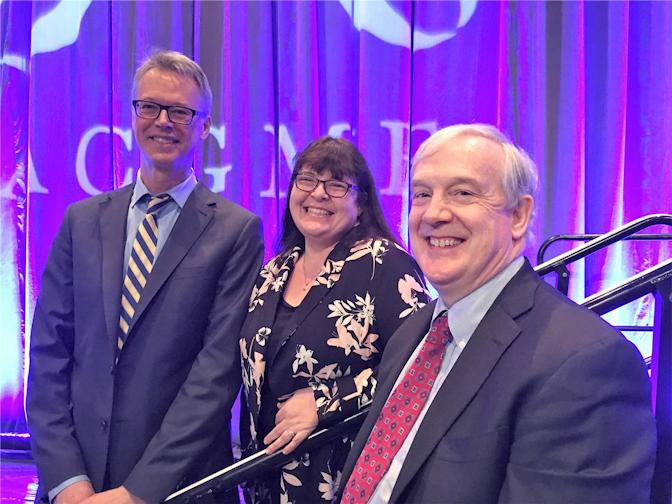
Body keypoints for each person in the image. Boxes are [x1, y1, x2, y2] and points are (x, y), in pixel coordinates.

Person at [339, 124, 656, 503]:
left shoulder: (585, 362)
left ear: (519, 215)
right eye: (422, 194)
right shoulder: (414, 333)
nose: (434, 213)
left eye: (463, 193)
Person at [26, 50, 264, 504]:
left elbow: (215, 376)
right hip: (77, 484)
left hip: (177, 487)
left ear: (205, 125)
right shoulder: (81, 221)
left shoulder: (236, 231)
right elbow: (48, 355)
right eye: (150, 106)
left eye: (180, 111)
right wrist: (66, 482)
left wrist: (138, 493)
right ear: (133, 115)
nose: (163, 121)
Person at [239, 136, 429, 503]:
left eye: (337, 184)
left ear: (361, 204)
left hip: (346, 482)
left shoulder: (384, 263)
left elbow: (421, 370)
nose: (318, 193)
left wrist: (326, 401)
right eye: (306, 180)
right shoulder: (272, 273)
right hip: (267, 484)